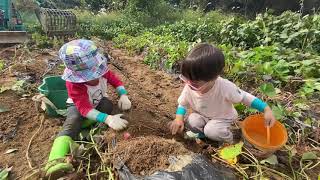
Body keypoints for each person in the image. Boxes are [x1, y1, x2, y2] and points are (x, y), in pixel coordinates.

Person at [45, 39, 131, 176]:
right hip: (77, 106)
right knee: (73, 121)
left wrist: (123, 95)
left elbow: (116, 82)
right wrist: (107, 119)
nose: (95, 77)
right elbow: (84, 108)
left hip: (97, 102)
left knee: (108, 105)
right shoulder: (73, 85)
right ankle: (54, 162)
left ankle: (85, 124)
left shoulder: (103, 71)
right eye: (90, 76)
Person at [169, 43, 276, 144]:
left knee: (212, 131)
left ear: (214, 78)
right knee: (192, 121)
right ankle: (204, 136)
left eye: (195, 84)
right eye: (186, 79)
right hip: (203, 115)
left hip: (222, 118)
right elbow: (183, 103)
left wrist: (265, 109)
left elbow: (244, 97)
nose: (189, 85)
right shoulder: (190, 85)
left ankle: (231, 139)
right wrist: (179, 119)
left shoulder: (225, 87)